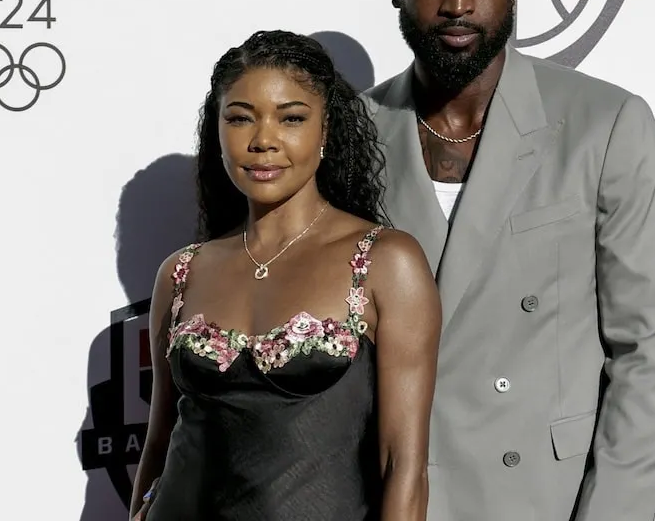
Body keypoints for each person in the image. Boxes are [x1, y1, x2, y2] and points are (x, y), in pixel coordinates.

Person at [362, 0, 655, 520]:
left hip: (542, 496)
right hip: (391, 498)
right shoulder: (353, 132)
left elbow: (646, 348)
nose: (457, 3)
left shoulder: (605, 123)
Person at [131, 30, 441, 521]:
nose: (263, 141)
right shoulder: (181, 272)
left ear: (326, 130)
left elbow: (403, 464)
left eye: (291, 118)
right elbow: (159, 443)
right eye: (239, 119)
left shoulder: (385, 261)